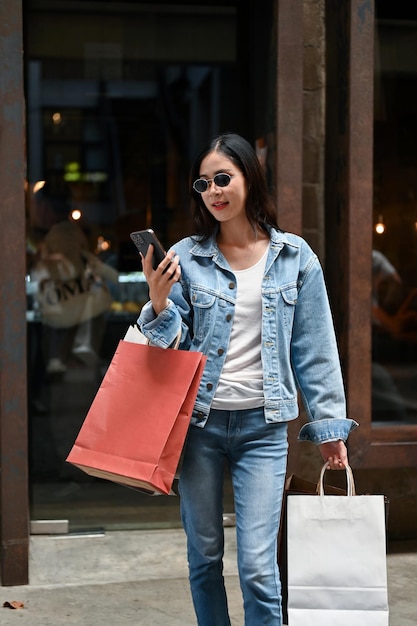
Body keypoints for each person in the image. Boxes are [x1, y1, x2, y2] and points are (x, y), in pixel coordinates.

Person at [138, 133, 358, 626]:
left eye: (223, 178)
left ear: (248, 179)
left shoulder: (295, 258)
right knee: (205, 556)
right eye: (204, 183)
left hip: (263, 429)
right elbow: (161, 352)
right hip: (199, 428)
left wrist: (329, 429)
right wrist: (157, 303)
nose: (214, 191)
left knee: (259, 566)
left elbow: (316, 349)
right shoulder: (187, 257)